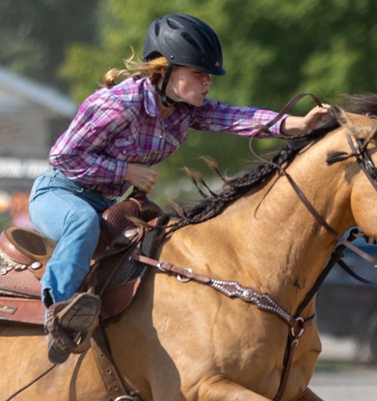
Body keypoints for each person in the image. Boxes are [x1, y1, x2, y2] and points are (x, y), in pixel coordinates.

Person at [29, 13, 331, 363]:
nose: (207, 83)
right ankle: (60, 316)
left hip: (105, 204)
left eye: (208, 76)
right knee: (81, 222)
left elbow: (235, 118)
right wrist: (126, 171)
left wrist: (297, 124)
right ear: (165, 70)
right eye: (199, 73)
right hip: (60, 193)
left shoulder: (183, 110)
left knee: (164, 236)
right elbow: (63, 157)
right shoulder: (117, 104)